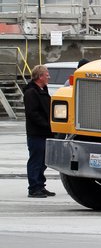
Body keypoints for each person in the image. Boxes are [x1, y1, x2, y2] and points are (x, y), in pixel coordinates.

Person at [24, 65, 56, 198]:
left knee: (43, 161)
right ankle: (33, 188)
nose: (49, 77)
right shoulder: (31, 92)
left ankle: (40, 185)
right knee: (36, 160)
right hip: (36, 133)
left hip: (45, 132)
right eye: (47, 75)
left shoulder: (43, 90)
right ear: (40, 77)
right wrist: (47, 125)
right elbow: (33, 113)